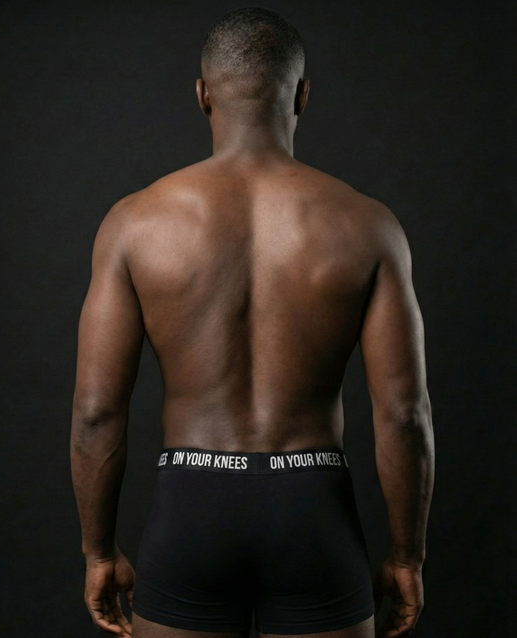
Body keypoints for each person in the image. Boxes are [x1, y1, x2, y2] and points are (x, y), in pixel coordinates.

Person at [70, 7, 434, 638]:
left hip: (192, 503)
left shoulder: (135, 223)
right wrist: (408, 557)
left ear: (203, 94)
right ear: (302, 95)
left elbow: (96, 413)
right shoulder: (369, 225)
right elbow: (404, 414)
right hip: (312, 503)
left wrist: (98, 551)